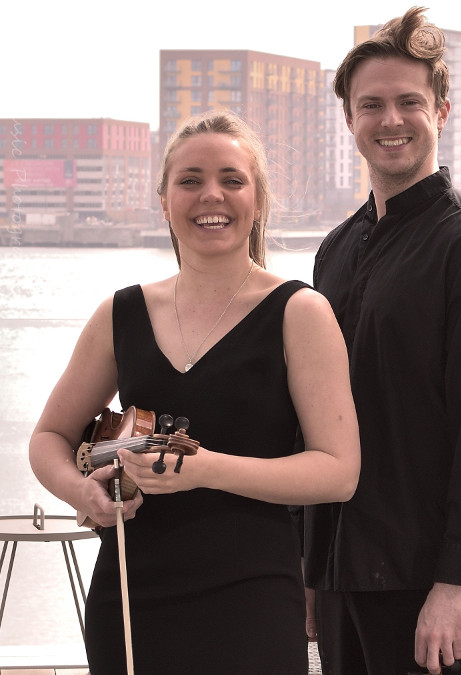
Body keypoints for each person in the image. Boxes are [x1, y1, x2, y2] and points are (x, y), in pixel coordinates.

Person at [27, 110, 361, 674]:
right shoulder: (119, 313)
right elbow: (49, 438)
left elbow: (338, 472)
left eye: (232, 180)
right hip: (128, 598)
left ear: (258, 200)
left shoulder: (301, 312)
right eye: (190, 180)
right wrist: (82, 492)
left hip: (253, 601)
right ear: (163, 201)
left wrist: (205, 470)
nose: (212, 195)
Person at [303, 7, 461, 674]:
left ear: (441, 111)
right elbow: (316, 418)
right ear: (349, 118)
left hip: (429, 587)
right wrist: (311, 564)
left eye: (409, 102)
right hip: (342, 573)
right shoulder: (335, 252)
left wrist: (455, 582)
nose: (391, 120)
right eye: (371, 105)